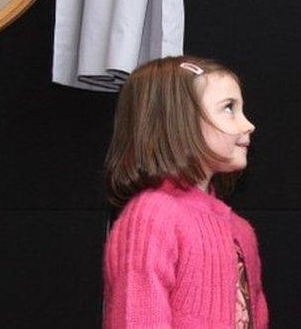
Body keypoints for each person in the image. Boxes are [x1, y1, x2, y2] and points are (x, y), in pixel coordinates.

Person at [103, 56, 268, 328]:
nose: (248, 124)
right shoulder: (152, 216)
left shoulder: (241, 231)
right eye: (229, 108)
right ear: (178, 122)